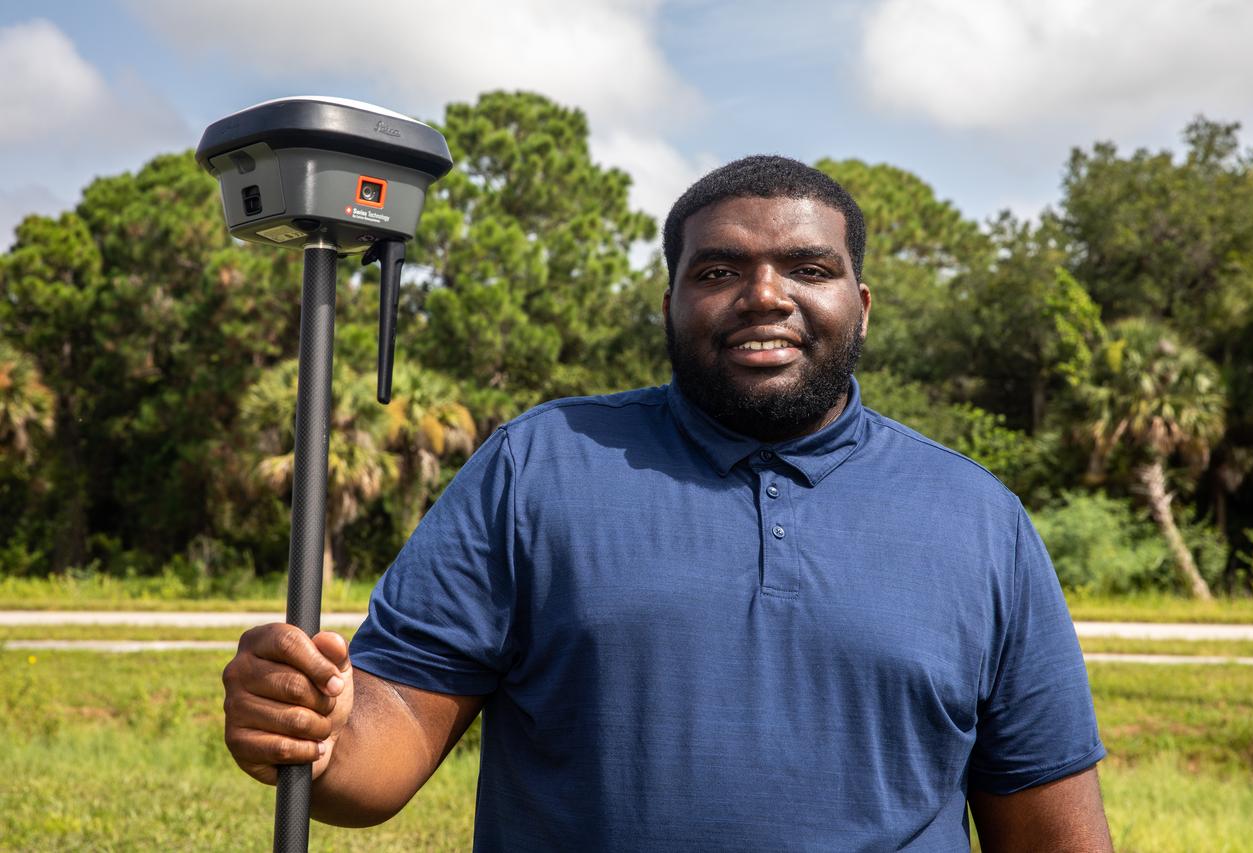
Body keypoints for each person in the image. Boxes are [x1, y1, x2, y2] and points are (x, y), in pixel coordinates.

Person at [222, 155, 1112, 851]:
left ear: (863, 305)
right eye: (720, 269)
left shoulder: (980, 518)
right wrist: (316, 728)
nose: (766, 295)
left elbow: (1049, 824)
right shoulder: (539, 467)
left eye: (808, 266)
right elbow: (395, 732)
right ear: (669, 303)